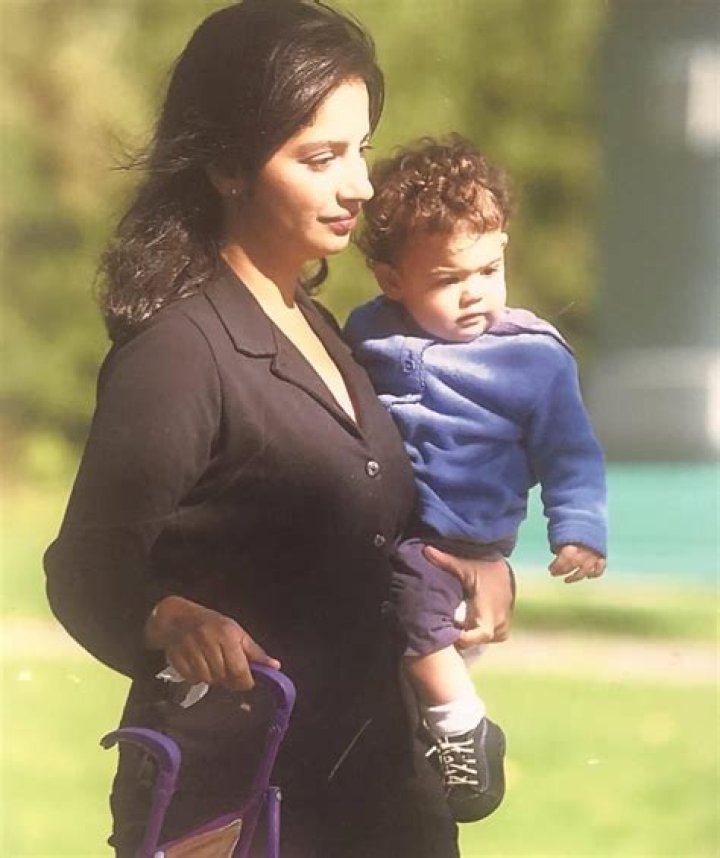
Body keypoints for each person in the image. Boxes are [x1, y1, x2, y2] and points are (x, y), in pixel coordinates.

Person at [43, 5, 515, 857]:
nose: (360, 186)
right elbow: (87, 567)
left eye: (361, 149)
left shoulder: (329, 330)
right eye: (321, 158)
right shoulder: (180, 351)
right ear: (228, 165)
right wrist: (168, 618)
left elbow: (370, 532)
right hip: (240, 806)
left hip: (382, 792)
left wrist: (472, 566)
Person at [345, 134, 608, 824]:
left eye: (488, 270)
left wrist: (579, 530)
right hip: (385, 529)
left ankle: (463, 725)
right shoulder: (367, 334)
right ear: (391, 279)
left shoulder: (532, 358)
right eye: (446, 279)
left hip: (455, 540)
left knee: (416, 607)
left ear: (505, 250)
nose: (473, 294)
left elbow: (571, 453)